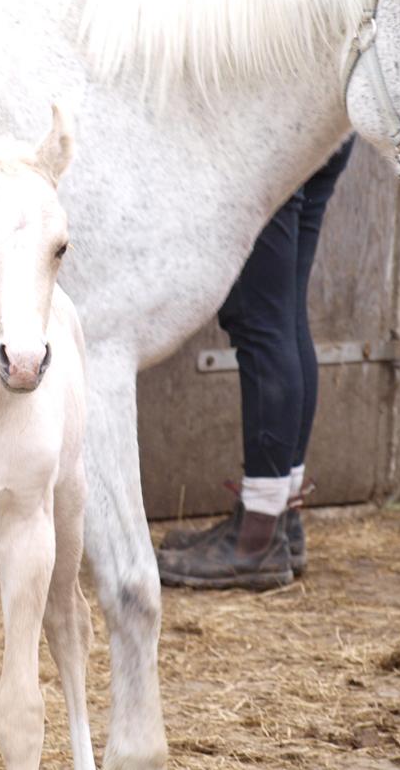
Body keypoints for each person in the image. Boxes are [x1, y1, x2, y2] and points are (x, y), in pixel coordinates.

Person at [156, 139, 354, 590]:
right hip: (322, 126)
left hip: (275, 128)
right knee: (283, 315)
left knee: (261, 317)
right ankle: (279, 517)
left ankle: (256, 539)